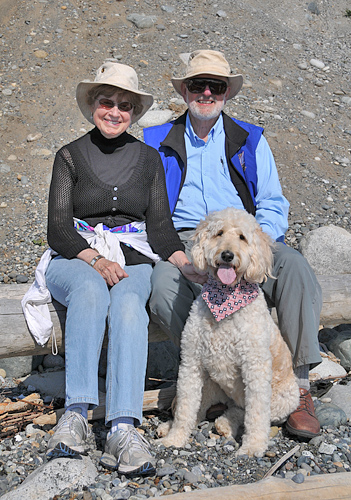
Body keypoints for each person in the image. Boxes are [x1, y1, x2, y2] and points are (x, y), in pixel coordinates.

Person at [143, 49, 323, 438]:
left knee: (294, 267)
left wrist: (253, 249)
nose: (206, 92)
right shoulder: (157, 142)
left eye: (216, 86)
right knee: (161, 286)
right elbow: (151, 210)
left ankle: (300, 386)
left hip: (245, 236)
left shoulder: (250, 139)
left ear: (227, 93)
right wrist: (179, 254)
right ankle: (218, 381)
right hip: (189, 239)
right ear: (185, 91)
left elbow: (273, 203)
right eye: (197, 85)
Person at [44, 61, 196, 476]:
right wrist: (96, 259)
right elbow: (57, 229)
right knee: (91, 291)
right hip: (75, 256)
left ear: (134, 112)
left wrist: (188, 264)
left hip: (134, 255)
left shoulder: (149, 160)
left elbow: (161, 229)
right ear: (93, 105)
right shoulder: (69, 156)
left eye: (124, 105)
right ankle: (75, 414)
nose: (114, 111)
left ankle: (123, 428)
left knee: (130, 307)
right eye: (106, 102)